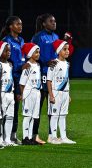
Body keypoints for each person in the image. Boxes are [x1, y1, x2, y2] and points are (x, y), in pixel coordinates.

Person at [31, 13, 60, 144]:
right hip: (42, 73)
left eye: (54, 21)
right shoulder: (38, 37)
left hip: (54, 75)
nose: (54, 23)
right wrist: (45, 62)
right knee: (39, 105)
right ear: (44, 24)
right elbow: (32, 54)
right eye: (51, 21)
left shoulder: (56, 37)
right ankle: (34, 135)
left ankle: (51, 134)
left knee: (53, 105)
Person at [0, 16, 25, 144]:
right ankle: (3, 135)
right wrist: (21, 66)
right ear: (10, 26)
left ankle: (12, 135)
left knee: (15, 108)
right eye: (17, 24)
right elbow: (6, 60)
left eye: (21, 24)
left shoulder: (21, 40)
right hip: (12, 76)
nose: (20, 26)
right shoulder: (7, 41)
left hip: (20, 76)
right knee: (6, 108)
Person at [47, 39, 74, 144]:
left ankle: (63, 137)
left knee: (63, 115)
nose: (67, 51)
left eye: (68, 49)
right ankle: (53, 137)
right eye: (64, 49)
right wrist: (51, 95)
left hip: (65, 93)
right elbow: (49, 80)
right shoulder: (54, 64)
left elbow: (66, 80)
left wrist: (68, 94)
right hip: (56, 92)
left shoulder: (67, 64)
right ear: (58, 51)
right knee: (54, 115)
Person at [19, 42, 42, 145]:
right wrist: (23, 95)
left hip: (37, 93)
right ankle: (25, 138)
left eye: (39, 52)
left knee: (33, 116)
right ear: (30, 53)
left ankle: (30, 137)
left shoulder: (37, 65)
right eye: (36, 52)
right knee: (27, 116)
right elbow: (22, 83)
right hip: (29, 93)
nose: (38, 54)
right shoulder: (27, 66)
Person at [0, 41, 17, 147]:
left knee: (10, 117)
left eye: (9, 50)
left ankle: (7, 139)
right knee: (0, 117)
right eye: (6, 50)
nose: (8, 52)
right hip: (2, 93)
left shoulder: (10, 64)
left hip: (10, 93)